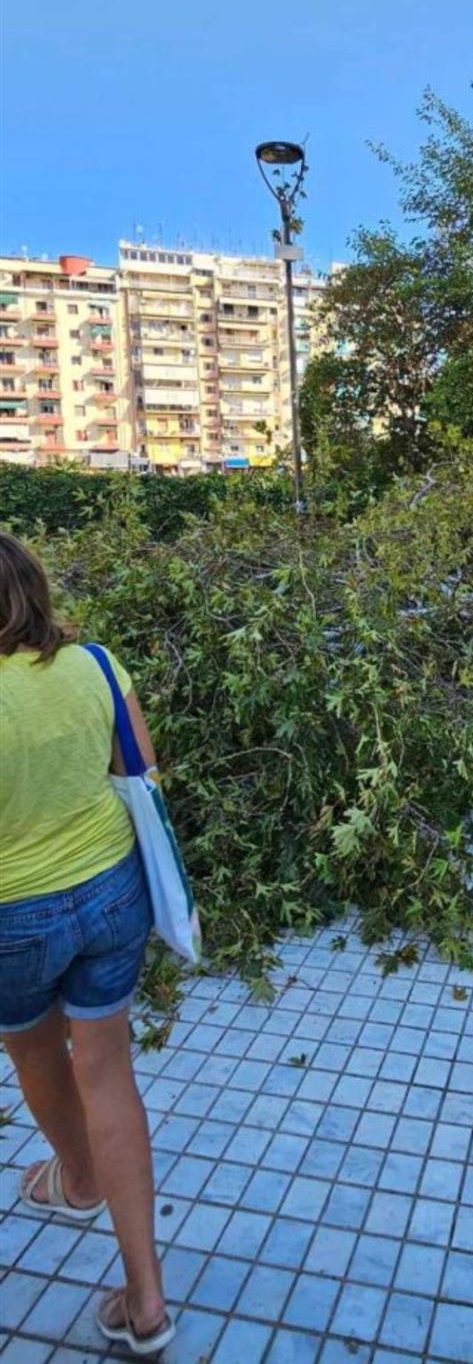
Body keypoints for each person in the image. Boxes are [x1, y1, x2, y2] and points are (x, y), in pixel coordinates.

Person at [0, 532, 174, 1355]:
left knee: (37, 1055)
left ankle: (76, 1179)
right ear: (35, 590)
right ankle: (147, 1303)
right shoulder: (96, 665)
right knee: (110, 1074)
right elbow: (141, 769)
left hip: (11, 918)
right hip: (113, 891)